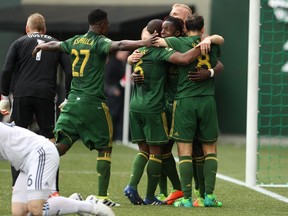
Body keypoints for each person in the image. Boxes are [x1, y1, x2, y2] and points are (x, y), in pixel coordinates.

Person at [31, 8, 159, 207]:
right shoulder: (99, 41)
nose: (108, 26)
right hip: (93, 103)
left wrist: (42, 47)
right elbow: (120, 44)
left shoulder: (75, 40)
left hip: (72, 103)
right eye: (107, 23)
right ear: (101, 24)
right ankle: (101, 197)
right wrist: (144, 42)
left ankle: (35, 176)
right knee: (105, 147)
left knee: (60, 147)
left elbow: (56, 45)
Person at [155, 14, 223, 207]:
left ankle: (186, 198)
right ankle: (208, 197)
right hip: (207, 100)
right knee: (210, 149)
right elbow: (219, 44)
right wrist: (209, 39)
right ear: (203, 29)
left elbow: (157, 41)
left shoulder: (176, 41)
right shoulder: (212, 44)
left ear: (184, 26)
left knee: (184, 151)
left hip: (185, 101)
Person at [0, 13, 72, 192]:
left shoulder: (19, 42)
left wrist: (3, 96)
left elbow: (7, 70)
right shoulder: (56, 43)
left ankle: (17, 186)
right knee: (49, 140)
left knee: (17, 139)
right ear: (45, 29)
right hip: (46, 95)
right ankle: (52, 187)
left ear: (27, 28)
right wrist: (68, 96)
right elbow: (69, 70)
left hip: (22, 94)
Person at [0, 122, 115, 216]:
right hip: (26, 163)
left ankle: (91, 206)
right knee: (19, 212)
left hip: (41, 153)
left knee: (35, 207)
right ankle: (75, 202)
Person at [104, 51, 130, 141]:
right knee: (111, 116)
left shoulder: (125, 63)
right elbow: (106, 80)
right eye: (124, 52)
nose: (125, 54)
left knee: (121, 116)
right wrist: (112, 89)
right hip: (112, 96)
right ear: (118, 52)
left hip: (122, 96)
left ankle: (119, 137)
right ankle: (109, 137)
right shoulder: (112, 63)